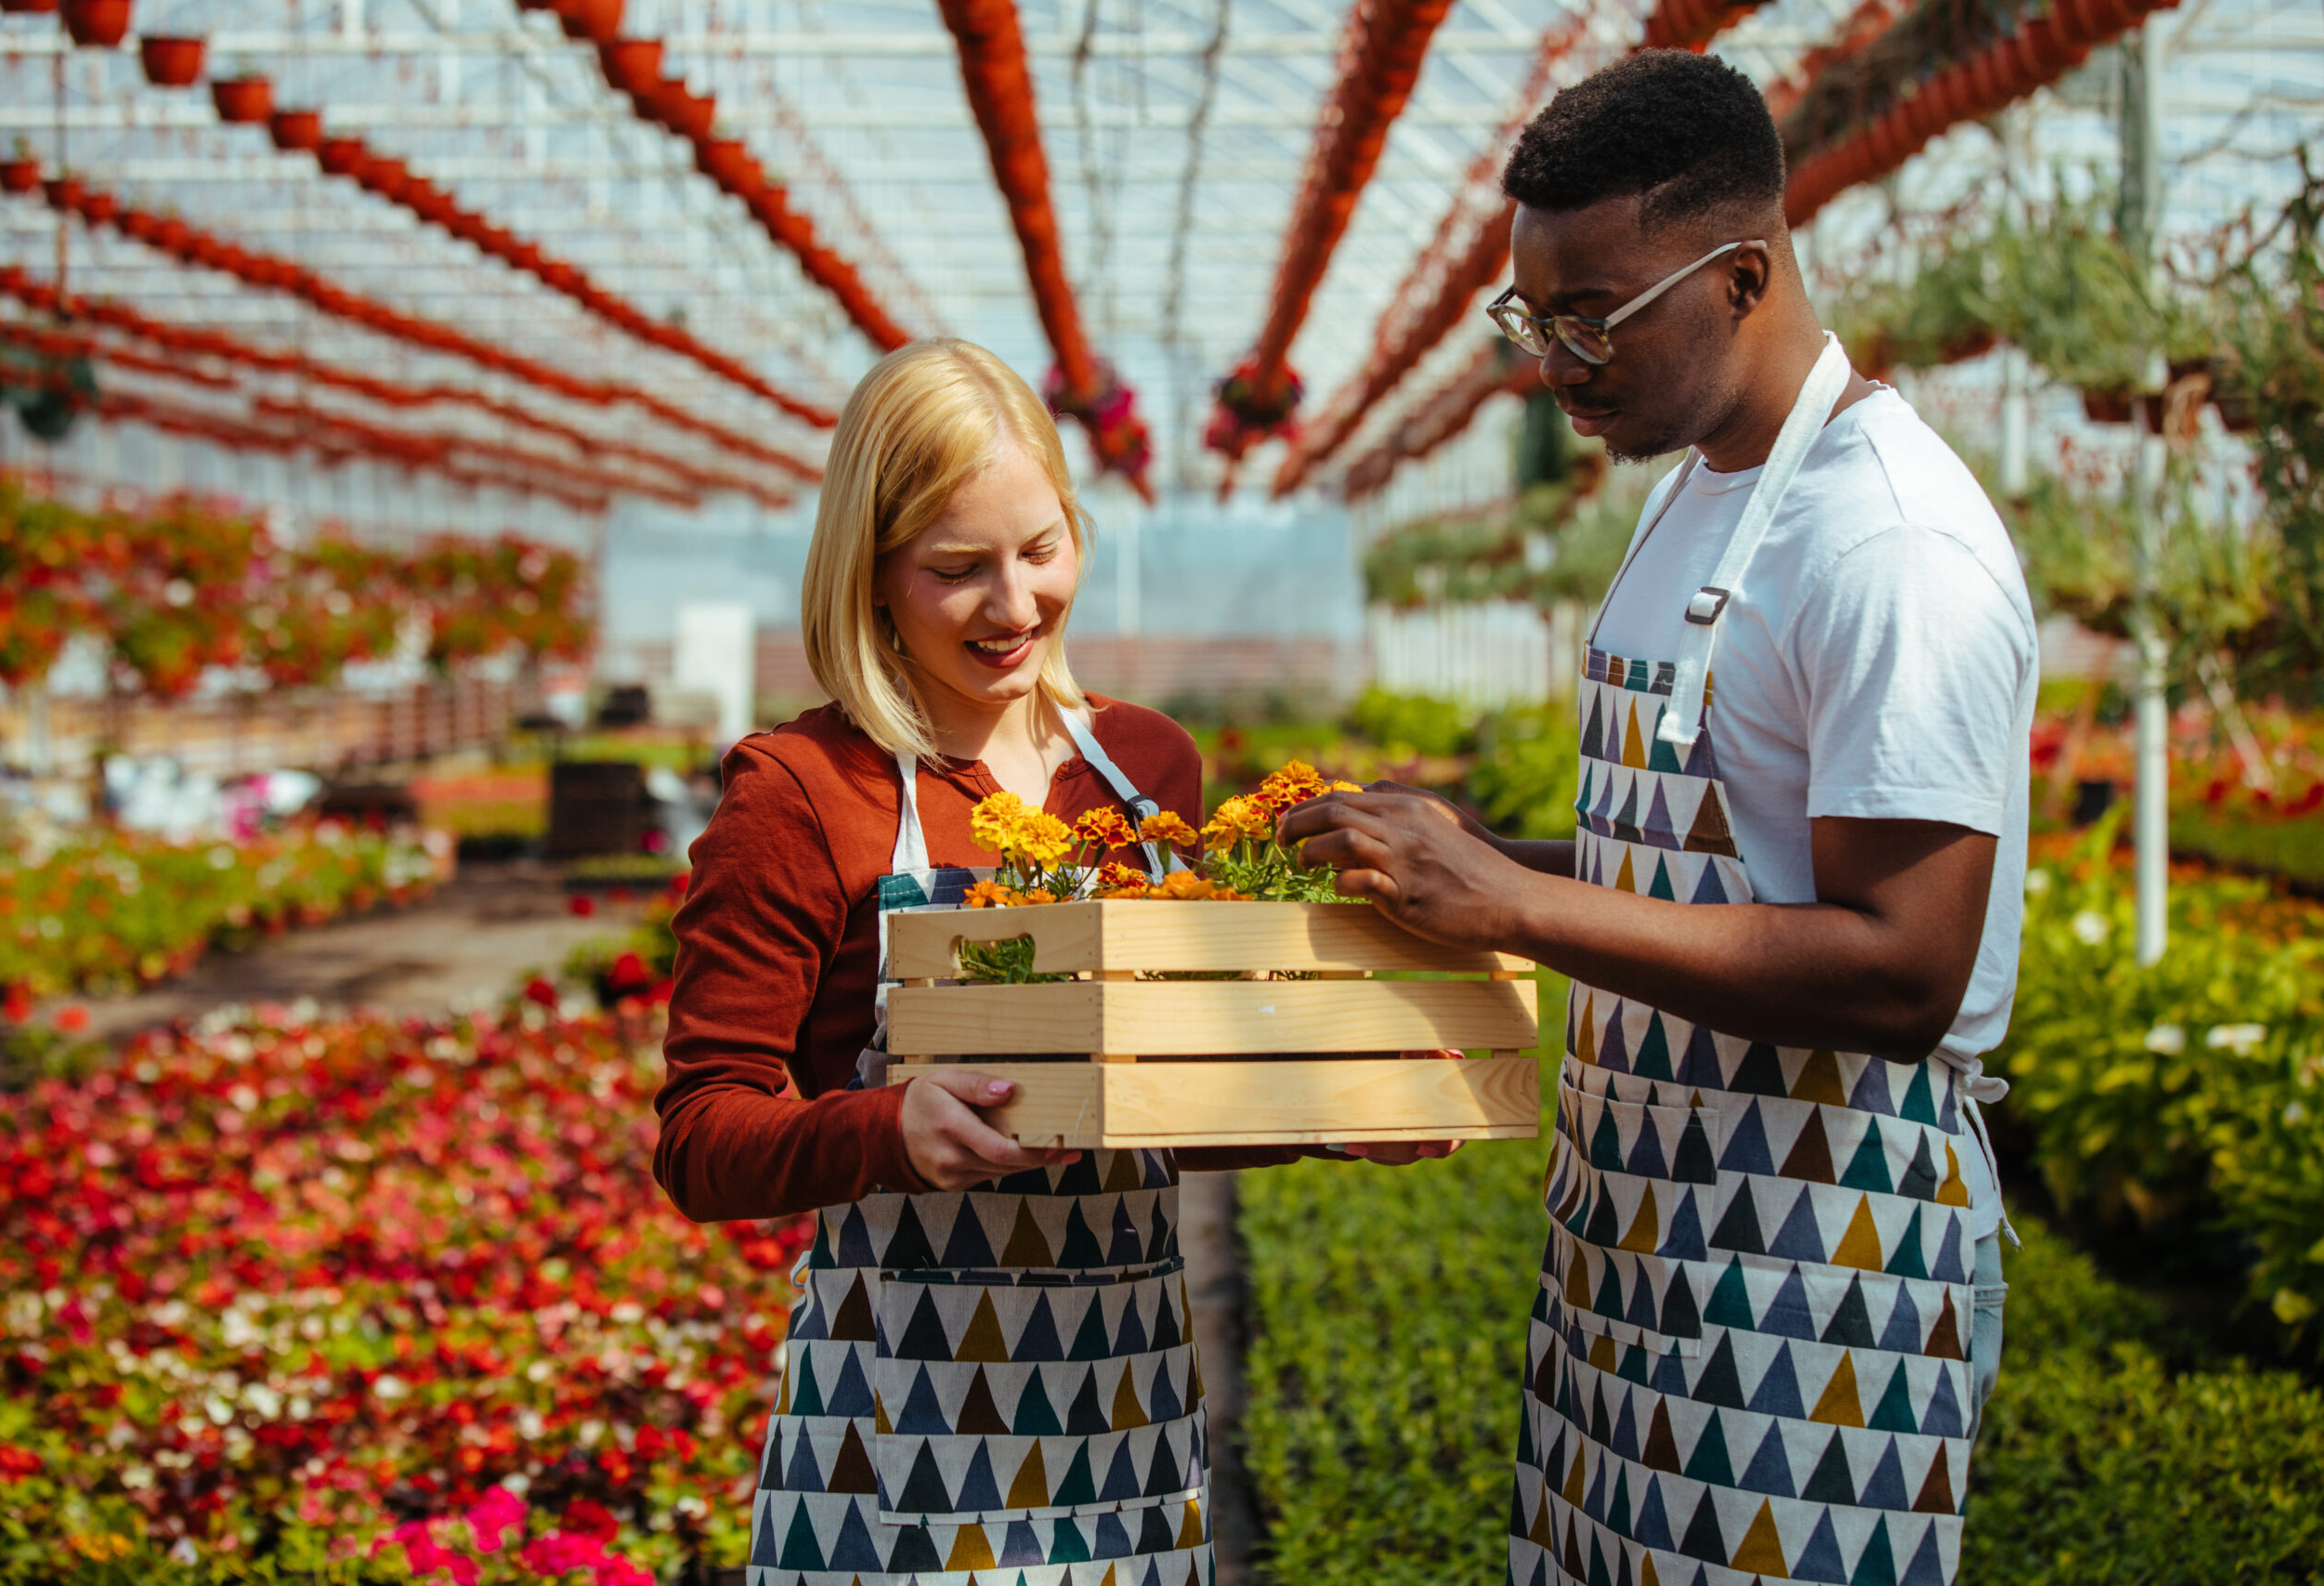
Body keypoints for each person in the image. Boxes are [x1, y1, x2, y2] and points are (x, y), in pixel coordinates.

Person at [1282, 51, 2034, 1586]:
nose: (1555, 360)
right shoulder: (1696, 483)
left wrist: (1516, 908)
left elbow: (1906, 969)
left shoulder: (1890, 542)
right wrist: (1458, 861)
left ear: (1742, 272)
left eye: (1591, 318)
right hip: (1634, 1236)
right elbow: (1693, 860)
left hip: (1819, 1265)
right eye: (1534, 317)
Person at [655, 338, 1350, 1586]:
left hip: (1128, 1416)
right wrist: (888, 1130)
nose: (1016, 604)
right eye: (957, 570)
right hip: (899, 1429)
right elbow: (703, 1138)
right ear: (869, 576)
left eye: (1041, 548)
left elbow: (1151, 1100)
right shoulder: (806, 792)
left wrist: (1340, 1104)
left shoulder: (1143, 773)